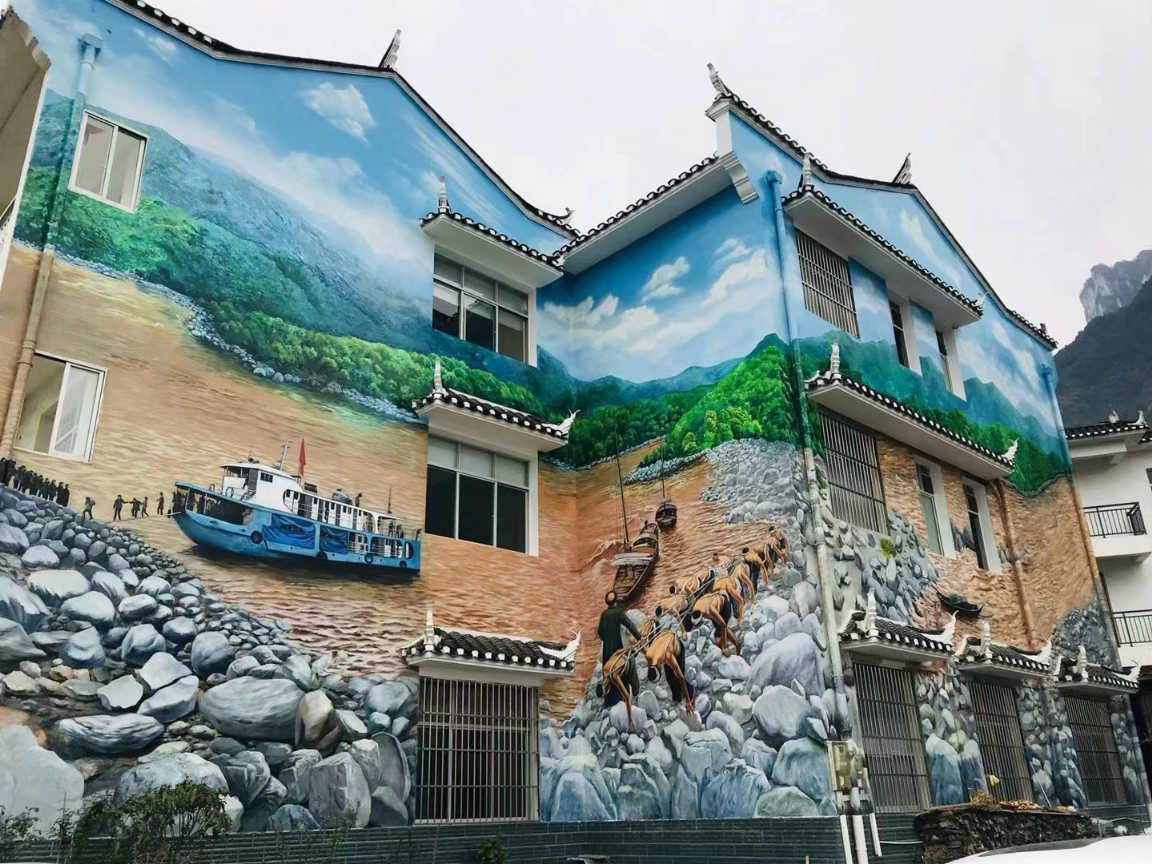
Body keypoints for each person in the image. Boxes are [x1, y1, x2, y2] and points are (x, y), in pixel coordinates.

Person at [596, 590, 642, 707]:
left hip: (607, 650)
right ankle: (624, 698)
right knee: (622, 670)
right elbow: (629, 625)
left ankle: (610, 700)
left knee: (608, 673)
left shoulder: (604, 614)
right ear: (616, 601)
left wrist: (606, 639)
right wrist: (639, 637)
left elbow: (600, 632)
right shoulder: (618, 613)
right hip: (617, 648)